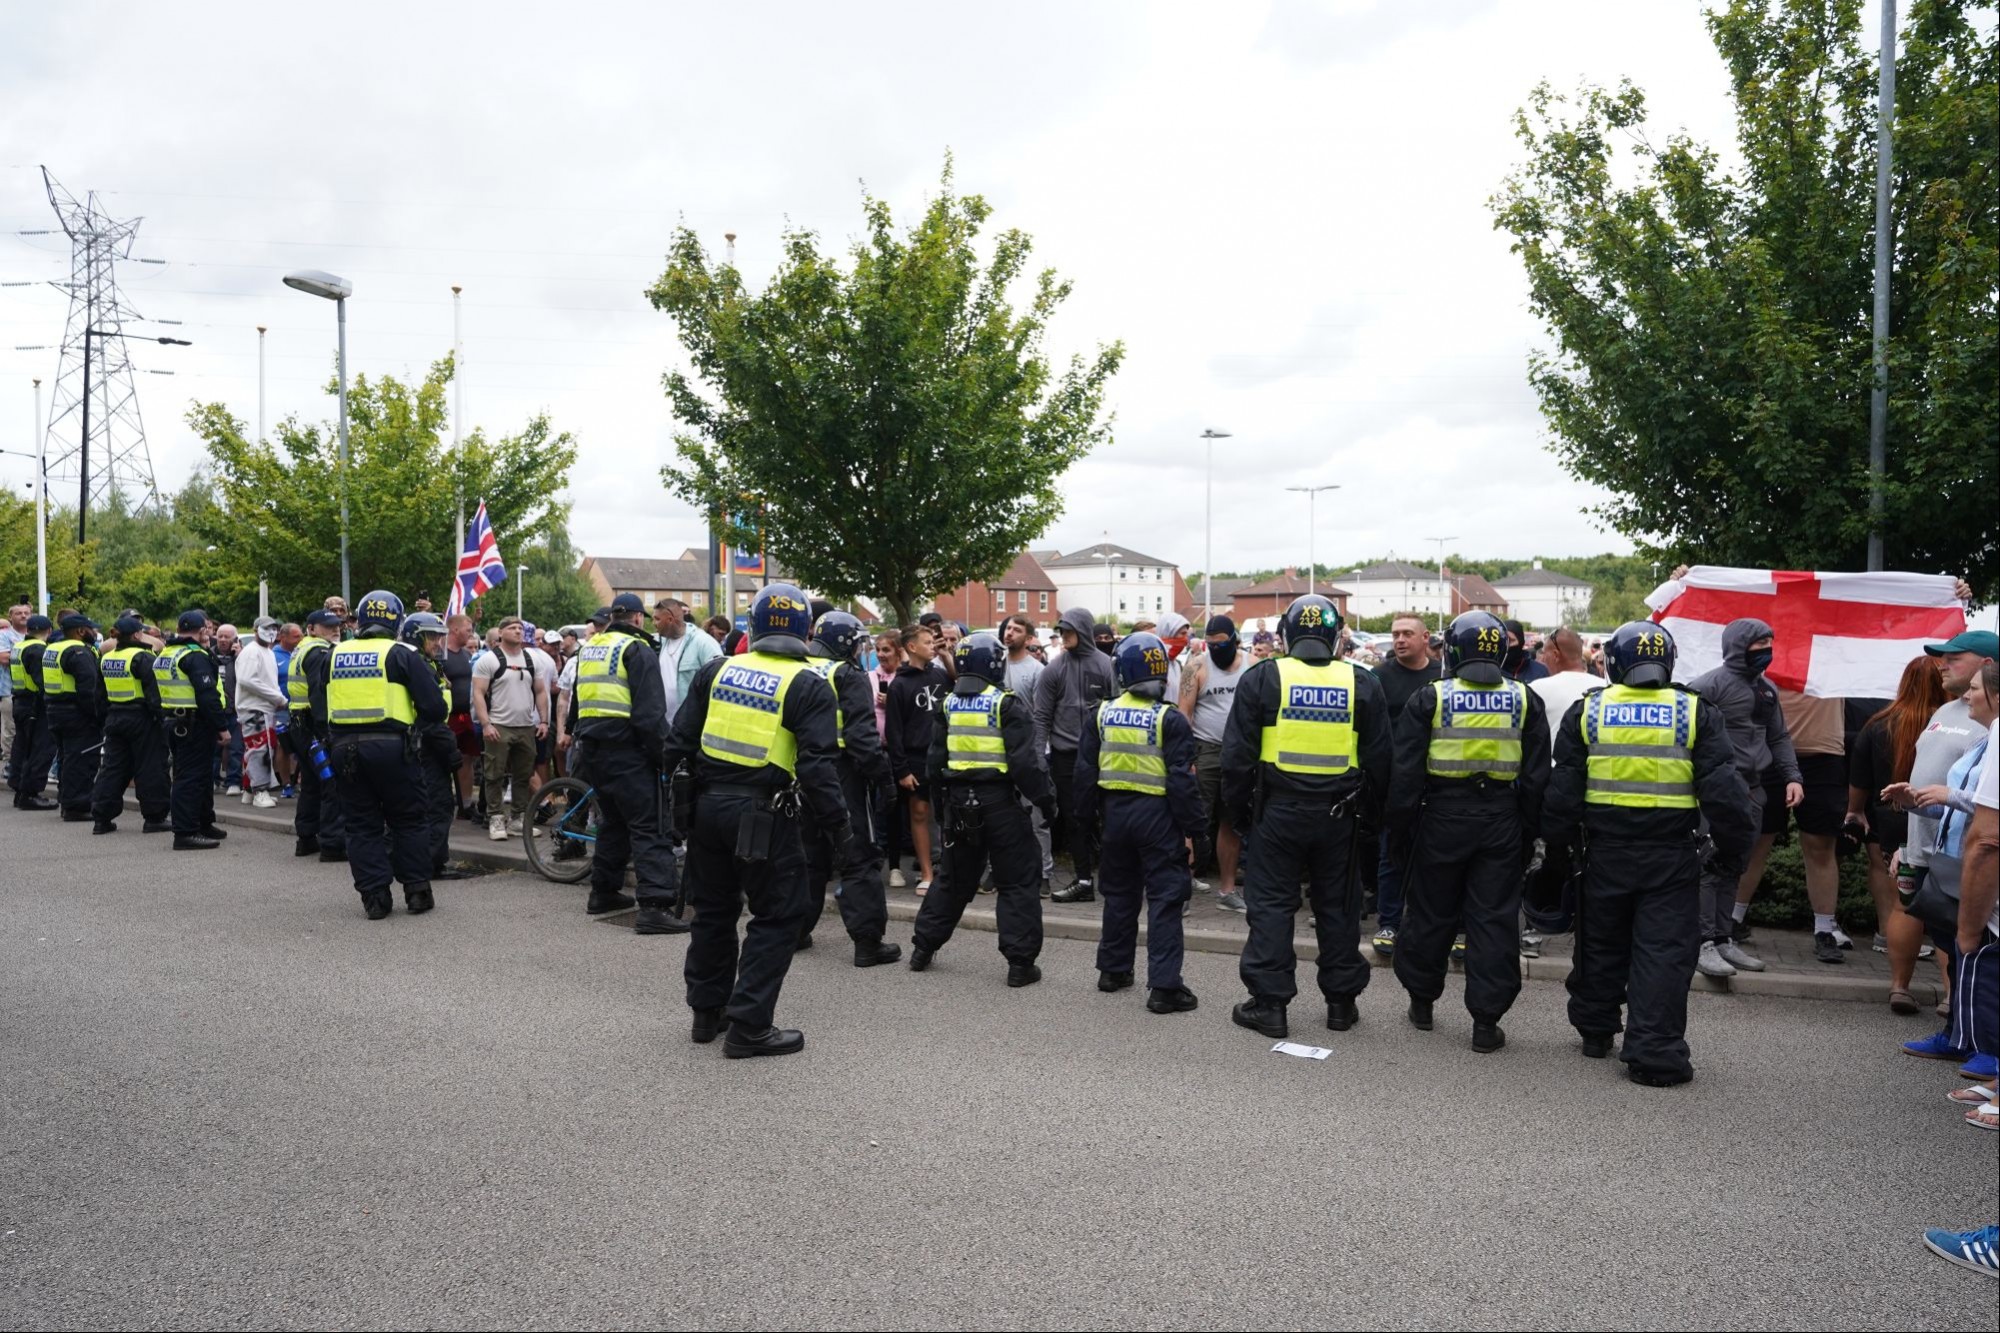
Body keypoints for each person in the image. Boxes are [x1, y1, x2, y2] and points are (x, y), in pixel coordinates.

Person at [1544, 622, 1752, 1086]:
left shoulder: (1590, 711)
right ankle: (1655, 1053)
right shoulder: (1693, 711)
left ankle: (1596, 1031)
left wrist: (1557, 850)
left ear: (1613, 663)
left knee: (1600, 943)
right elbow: (1724, 792)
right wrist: (1732, 851)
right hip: (1670, 854)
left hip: (1603, 851)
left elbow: (1563, 792)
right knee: (1661, 952)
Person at [664, 582, 845, 1058]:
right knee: (779, 914)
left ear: (754, 625)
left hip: (706, 810)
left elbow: (677, 743)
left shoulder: (717, 669)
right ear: (805, 629)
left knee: (714, 911)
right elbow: (817, 769)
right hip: (764, 814)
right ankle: (750, 1026)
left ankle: (708, 1014)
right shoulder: (808, 684)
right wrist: (841, 831)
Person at [1226, 594, 1392, 1040]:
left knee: (1273, 907)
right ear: (1337, 637)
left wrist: (1240, 817)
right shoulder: (1363, 682)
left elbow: (1237, 759)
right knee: (1339, 908)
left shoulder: (1263, 677)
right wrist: (1372, 823)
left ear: (1285, 635)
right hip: (1341, 815)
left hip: (1277, 812)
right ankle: (1341, 1003)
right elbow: (1381, 762)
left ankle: (1270, 1006)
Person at [1389, 611, 1550, 1052]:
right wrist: (1528, 833)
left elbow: (1404, 777)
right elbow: (1536, 780)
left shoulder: (1431, 698)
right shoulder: (1523, 698)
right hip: (1501, 819)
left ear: (1453, 649)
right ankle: (1485, 1022)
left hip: (1440, 816)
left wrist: (1399, 836)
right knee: (1494, 920)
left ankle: (1422, 1003)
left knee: (1429, 912)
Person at [908, 630, 1055, 985]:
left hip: (960, 807)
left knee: (953, 881)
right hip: (1000, 805)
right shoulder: (1005, 704)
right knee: (1018, 881)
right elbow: (1025, 766)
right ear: (995, 664)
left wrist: (943, 812)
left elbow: (934, 764)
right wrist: (1047, 802)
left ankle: (923, 948)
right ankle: (1020, 965)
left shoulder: (947, 705)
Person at [1077, 631, 1206, 1013]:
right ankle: (1165, 987)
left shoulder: (1100, 713)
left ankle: (1113, 970)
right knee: (1165, 900)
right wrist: (1197, 831)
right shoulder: (1169, 719)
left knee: (1119, 895)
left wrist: (1084, 825)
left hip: (1115, 817)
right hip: (1158, 819)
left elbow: (1084, 776)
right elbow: (1183, 784)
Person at [1888, 661, 1998, 1074]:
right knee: (1957, 951)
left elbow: (1985, 805)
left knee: (1981, 954)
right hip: (1951, 860)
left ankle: (1987, 1050)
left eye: (1974, 689)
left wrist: (1948, 795)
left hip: (1982, 861)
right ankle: (1959, 1036)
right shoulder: (1984, 740)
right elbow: (1963, 797)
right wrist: (1914, 800)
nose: (1966, 696)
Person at [1685, 618, 1804, 975]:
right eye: (1759, 644)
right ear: (1738, 645)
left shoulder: (1767, 690)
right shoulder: (1708, 685)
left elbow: (1778, 737)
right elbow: (1686, 736)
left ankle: (1723, 939)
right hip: (1716, 791)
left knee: (1734, 865)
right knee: (1708, 864)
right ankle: (1703, 943)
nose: (1766, 651)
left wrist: (1792, 777)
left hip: (1752, 791)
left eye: (1770, 642)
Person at [321, 590, 447, 919]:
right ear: (397, 621)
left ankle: (375, 898)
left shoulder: (334, 654)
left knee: (361, 825)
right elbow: (434, 707)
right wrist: (414, 725)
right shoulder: (401, 654)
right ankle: (417, 891)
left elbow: (321, 706)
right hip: (394, 747)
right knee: (408, 820)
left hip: (343, 749)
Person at [572, 593, 683, 934]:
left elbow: (579, 699)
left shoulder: (591, 647)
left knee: (614, 823)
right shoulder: (637, 650)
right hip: (627, 751)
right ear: (638, 618)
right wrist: (667, 758)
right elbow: (649, 717)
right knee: (650, 826)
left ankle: (603, 892)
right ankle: (654, 907)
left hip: (592, 749)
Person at [1847, 657, 1949, 1011]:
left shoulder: (1878, 724)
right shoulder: (1951, 724)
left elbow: (1859, 780)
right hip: (1942, 822)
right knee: (1946, 912)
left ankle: (1899, 987)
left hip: (1891, 821)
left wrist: (1854, 811)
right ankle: (1951, 997)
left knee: (1902, 906)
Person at [799, 610, 900, 965]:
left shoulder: (800, 669)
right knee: (858, 857)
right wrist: (883, 778)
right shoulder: (849, 675)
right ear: (845, 643)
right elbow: (861, 737)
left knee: (808, 857)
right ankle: (867, 942)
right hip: (842, 774)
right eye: (858, 643)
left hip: (802, 773)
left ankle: (796, 930)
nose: (861, 651)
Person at [1368, 612, 1443, 955]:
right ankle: (1390, 923)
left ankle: (1432, 924)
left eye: (1407, 634)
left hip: (1437, 782)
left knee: (1436, 857)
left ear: (1425, 638)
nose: (1399, 640)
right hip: (1394, 783)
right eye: (1395, 634)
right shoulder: (1379, 677)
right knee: (1391, 854)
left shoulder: (1442, 676)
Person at [1038, 606, 1116, 904]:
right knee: (1075, 820)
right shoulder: (1053, 669)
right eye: (1062, 630)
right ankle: (1083, 880)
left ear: (1083, 629)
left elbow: (1118, 708)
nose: (1064, 635)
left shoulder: (1106, 665)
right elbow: (1041, 717)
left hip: (1103, 754)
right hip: (1066, 756)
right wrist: (1037, 757)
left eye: (1069, 629)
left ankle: (1112, 879)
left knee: (1110, 817)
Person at [1180, 614, 1252, 913]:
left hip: (1239, 752)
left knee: (1231, 821)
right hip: (1205, 749)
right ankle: (1180, 888)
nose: (1215, 650)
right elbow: (1183, 714)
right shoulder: (1197, 665)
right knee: (1191, 821)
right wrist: (1185, 759)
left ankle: (1227, 890)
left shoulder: (1252, 665)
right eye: (1209, 644)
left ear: (1233, 640)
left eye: (1220, 644)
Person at [400, 612, 469, 883]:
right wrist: (449, 749)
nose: (438, 643)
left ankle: (432, 860)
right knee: (437, 807)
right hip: (427, 746)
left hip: (429, 743)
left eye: (440, 637)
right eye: (432, 637)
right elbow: (428, 716)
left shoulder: (428, 665)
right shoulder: (418, 665)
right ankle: (431, 864)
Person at [155, 611, 232, 850]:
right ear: (202, 631)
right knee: (189, 779)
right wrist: (222, 727)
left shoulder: (167, 653)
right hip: (193, 723)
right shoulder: (195, 656)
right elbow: (207, 695)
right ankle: (186, 832)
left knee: (199, 776)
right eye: (207, 629)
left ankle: (203, 822)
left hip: (175, 721)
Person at [88, 615, 170, 834]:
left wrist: (104, 720)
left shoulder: (106, 658)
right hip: (142, 719)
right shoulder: (143, 657)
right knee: (151, 767)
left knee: (113, 768)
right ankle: (154, 818)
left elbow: (99, 695)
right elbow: (155, 695)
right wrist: (162, 719)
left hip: (115, 718)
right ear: (136, 634)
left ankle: (101, 818)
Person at [471, 616, 548, 841]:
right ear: (501, 632)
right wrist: (486, 724)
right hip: (499, 725)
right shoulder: (488, 660)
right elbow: (478, 693)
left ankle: (518, 819)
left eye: (520, 628)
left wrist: (543, 721)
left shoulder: (532, 660)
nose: (518, 631)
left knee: (523, 775)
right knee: (494, 774)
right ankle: (495, 817)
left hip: (526, 726)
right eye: (513, 628)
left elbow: (541, 691)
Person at [884, 623, 946, 893]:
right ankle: (927, 872)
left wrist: (946, 656)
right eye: (928, 642)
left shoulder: (941, 675)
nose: (933, 646)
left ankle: (949, 869)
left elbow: (959, 679)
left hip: (943, 756)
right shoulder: (899, 685)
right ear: (912, 647)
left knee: (947, 814)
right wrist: (902, 769)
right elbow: (894, 731)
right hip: (916, 757)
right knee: (919, 813)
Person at [1001, 614, 1056, 894]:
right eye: (1008, 628)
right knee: (998, 816)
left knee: (1037, 819)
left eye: (1017, 629)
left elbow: (1040, 715)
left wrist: (1036, 753)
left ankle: (1044, 872)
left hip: (1028, 753)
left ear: (1029, 637)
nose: (1010, 633)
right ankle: (996, 871)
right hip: (998, 752)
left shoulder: (1037, 670)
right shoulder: (994, 665)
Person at [285, 610, 346, 861]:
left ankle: (307, 838)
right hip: (314, 726)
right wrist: (326, 732)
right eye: (328, 626)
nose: (336, 629)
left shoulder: (302, 648)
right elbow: (319, 694)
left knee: (311, 783)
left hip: (300, 725)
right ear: (311, 628)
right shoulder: (319, 651)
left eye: (337, 625)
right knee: (331, 783)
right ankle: (333, 844)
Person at [43, 613, 104, 822]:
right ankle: (77, 805)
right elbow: (88, 689)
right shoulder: (79, 652)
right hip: (76, 714)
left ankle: (67, 801)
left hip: (55, 709)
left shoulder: (53, 648)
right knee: (81, 760)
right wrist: (97, 716)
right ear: (80, 631)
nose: (94, 633)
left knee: (66, 758)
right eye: (90, 629)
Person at [234, 616, 287, 810]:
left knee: (264, 747)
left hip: (264, 708)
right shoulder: (251, 652)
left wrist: (277, 698)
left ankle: (249, 790)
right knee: (260, 750)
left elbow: (268, 681)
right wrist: (277, 698)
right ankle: (260, 791)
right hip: (254, 708)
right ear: (256, 630)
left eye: (275, 628)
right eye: (267, 628)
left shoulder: (267, 652)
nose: (272, 632)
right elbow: (248, 680)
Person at [7, 613, 56, 810]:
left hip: (20, 701)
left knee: (22, 748)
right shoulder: (38, 650)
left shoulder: (19, 646)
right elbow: (42, 681)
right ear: (49, 631)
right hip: (34, 704)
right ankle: (31, 793)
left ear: (28, 630)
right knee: (40, 749)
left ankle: (20, 789)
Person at [653, 596, 722, 726]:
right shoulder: (658, 642)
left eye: (657, 619)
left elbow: (717, 683)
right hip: (663, 726)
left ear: (670, 620)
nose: (653, 623)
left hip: (689, 728)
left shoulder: (704, 643)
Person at [441, 614, 479, 819]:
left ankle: (465, 805)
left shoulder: (466, 655)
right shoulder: (440, 655)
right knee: (443, 761)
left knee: (467, 759)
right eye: (467, 629)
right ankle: (444, 802)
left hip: (467, 716)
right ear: (455, 630)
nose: (470, 633)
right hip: (448, 718)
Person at [0, 604, 25, 771]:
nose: (23, 616)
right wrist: (30, 654)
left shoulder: (33, 634)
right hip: (9, 689)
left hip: (29, 692)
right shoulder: (4, 635)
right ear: (11, 617)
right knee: (10, 728)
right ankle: (9, 762)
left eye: (26, 613)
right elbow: (3, 658)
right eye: (18, 613)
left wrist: (16, 652)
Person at [1502, 619, 1548, 684]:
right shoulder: (1492, 671)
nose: (1506, 644)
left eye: (1510, 640)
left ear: (1521, 641)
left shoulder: (1540, 672)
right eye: (1503, 640)